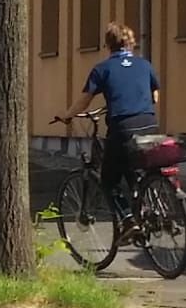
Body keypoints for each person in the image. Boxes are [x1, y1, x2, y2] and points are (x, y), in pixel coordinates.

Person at [56, 22, 160, 238]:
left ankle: (128, 220)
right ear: (131, 42)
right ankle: (147, 210)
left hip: (122, 128)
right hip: (149, 122)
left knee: (109, 179)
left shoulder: (102, 69)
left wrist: (67, 115)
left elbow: (84, 101)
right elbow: (155, 97)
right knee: (134, 169)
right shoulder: (145, 65)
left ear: (108, 45)